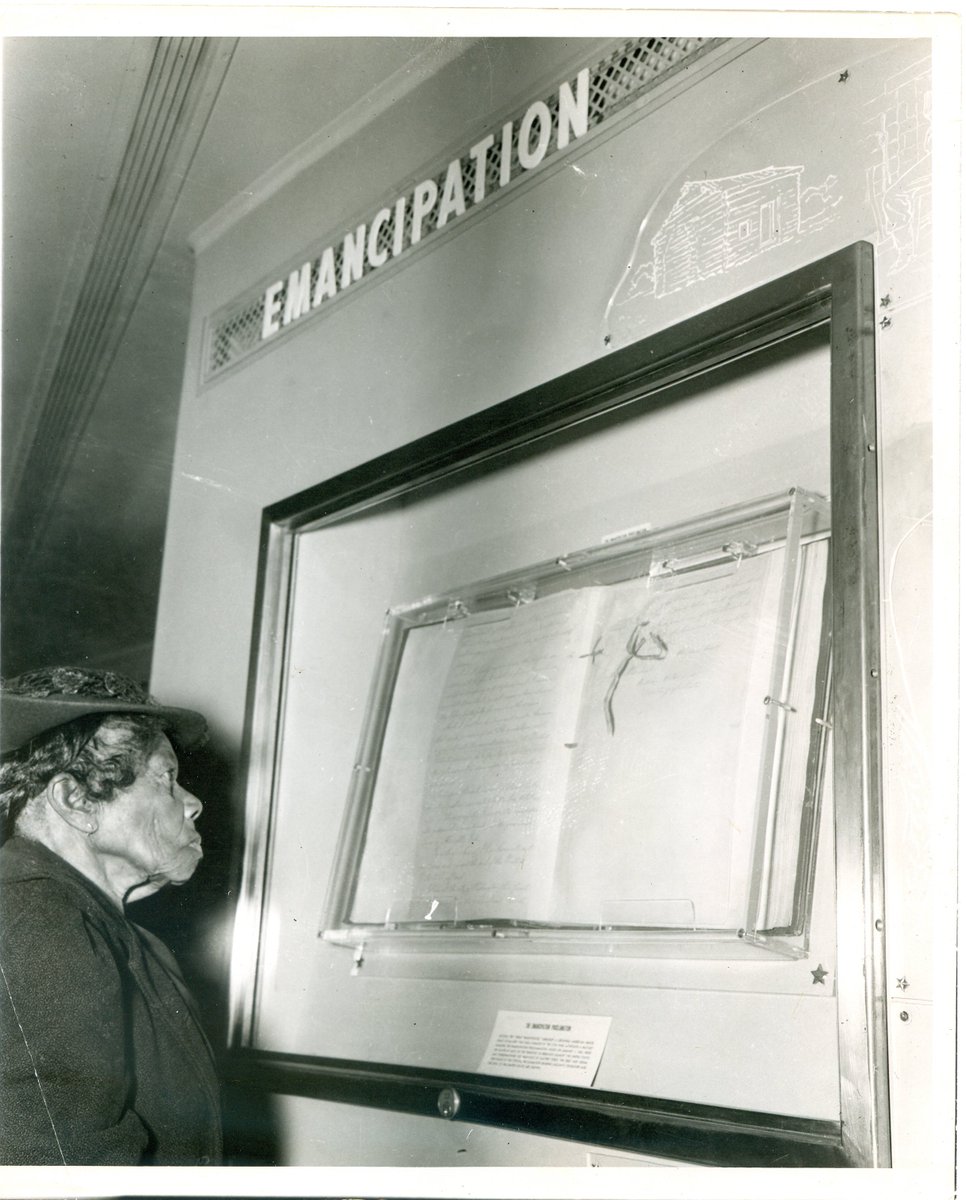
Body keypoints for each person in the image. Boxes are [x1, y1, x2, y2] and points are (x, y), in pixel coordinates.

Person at [0, 666, 222, 1165]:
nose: (194, 804)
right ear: (76, 801)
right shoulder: (37, 923)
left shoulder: (112, 931)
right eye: (166, 779)